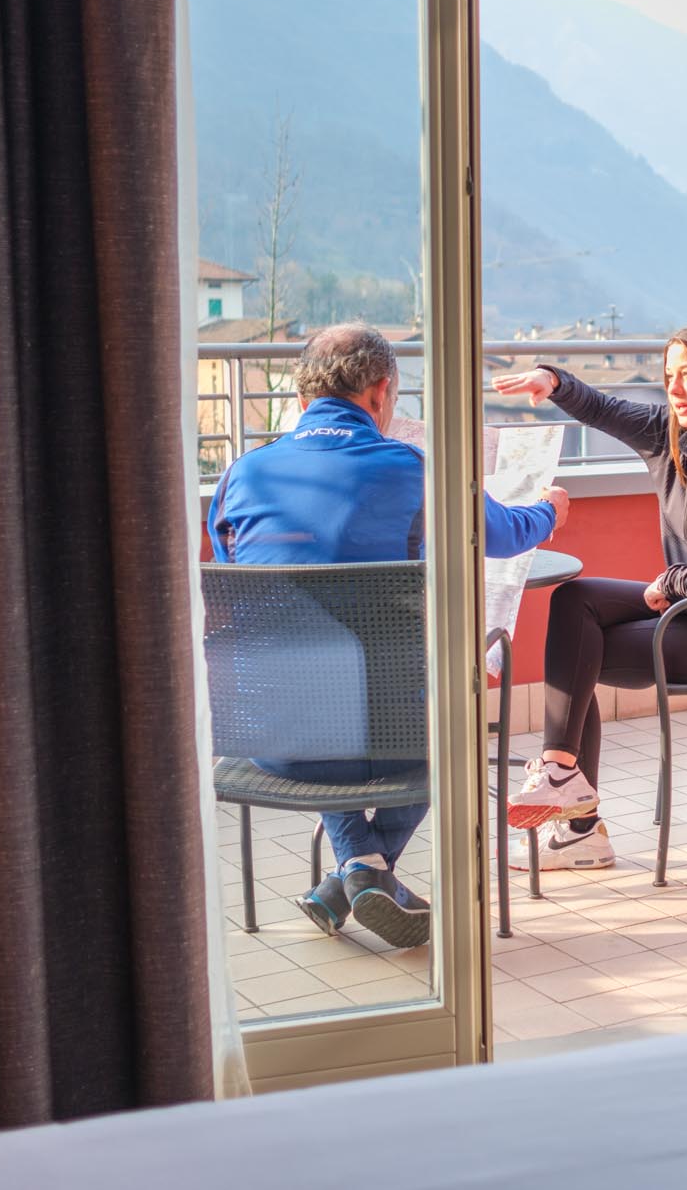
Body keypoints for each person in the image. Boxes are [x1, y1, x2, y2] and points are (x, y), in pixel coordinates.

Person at [209, 323, 569, 947]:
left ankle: (350, 875)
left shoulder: (241, 475)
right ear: (380, 393)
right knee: (450, 732)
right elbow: (505, 533)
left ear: (300, 400)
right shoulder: (408, 467)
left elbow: (236, 588)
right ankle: (365, 871)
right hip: (394, 737)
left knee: (317, 692)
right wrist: (551, 511)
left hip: (272, 734)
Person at [491, 320, 687, 870]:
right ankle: (564, 778)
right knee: (575, 601)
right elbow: (604, 408)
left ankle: (579, 827)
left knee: (581, 655)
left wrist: (673, 582)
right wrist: (554, 381)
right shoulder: (671, 439)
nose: (675, 389)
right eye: (668, 376)